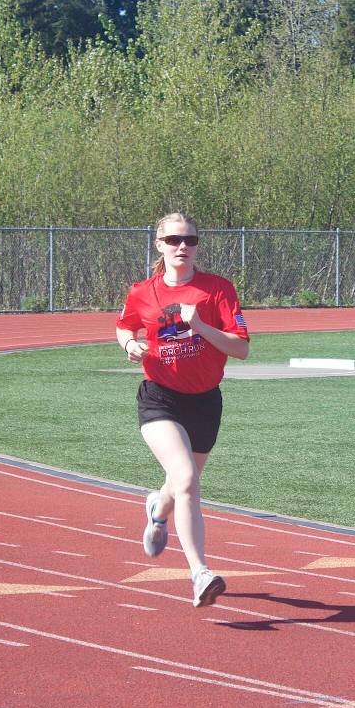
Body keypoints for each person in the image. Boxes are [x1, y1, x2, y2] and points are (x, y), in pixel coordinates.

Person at [115, 212, 250, 607]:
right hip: (160, 397)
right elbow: (124, 325)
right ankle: (199, 573)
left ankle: (157, 509)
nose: (182, 247)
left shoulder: (217, 290)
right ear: (159, 244)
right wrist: (129, 345)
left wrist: (202, 326)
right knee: (188, 478)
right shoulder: (143, 291)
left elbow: (241, 348)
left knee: (179, 485)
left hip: (205, 400)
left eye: (189, 240)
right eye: (173, 239)